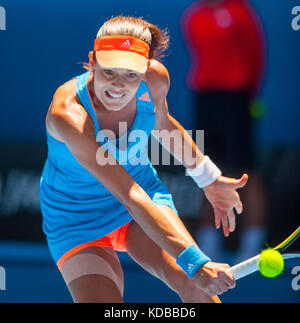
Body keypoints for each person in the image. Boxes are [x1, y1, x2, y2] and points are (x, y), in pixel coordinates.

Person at [39, 15, 248, 303]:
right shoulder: (69, 116)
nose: (118, 85)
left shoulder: (156, 80)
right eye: (109, 71)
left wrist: (207, 177)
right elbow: (128, 194)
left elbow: (162, 125)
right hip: (76, 220)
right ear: (93, 60)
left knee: (196, 288)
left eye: (131, 75)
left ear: (146, 70)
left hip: (142, 196)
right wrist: (197, 263)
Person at [181, 0, 267, 261]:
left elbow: (256, 56)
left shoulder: (240, 12)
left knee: (246, 171)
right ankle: (208, 246)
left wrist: (247, 96)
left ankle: (252, 245)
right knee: (206, 168)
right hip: (205, 99)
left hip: (236, 99)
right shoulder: (193, 15)